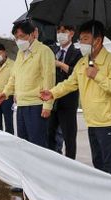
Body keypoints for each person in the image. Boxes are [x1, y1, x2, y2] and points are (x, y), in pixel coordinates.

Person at [40, 20, 111, 176]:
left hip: (109, 123)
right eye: (81, 39)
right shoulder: (82, 62)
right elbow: (70, 83)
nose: (81, 43)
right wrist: (53, 93)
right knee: (98, 165)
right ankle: (100, 196)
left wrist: (97, 75)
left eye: (85, 39)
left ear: (98, 40)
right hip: (92, 122)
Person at [0, 20, 55, 147]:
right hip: (21, 105)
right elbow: (13, 77)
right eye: (16, 38)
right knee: (24, 144)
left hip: (36, 105)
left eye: (22, 36)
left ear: (33, 34)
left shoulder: (44, 51)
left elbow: (48, 79)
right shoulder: (20, 53)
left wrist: (47, 105)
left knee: (37, 145)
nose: (19, 41)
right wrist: (5, 93)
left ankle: (38, 167)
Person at [47, 25, 82, 159]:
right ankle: (53, 160)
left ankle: (70, 163)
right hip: (52, 99)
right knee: (50, 133)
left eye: (64, 32)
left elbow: (77, 74)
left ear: (71, 33)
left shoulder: (78, 53)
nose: (60, 34)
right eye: (58, 31)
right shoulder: (52, 50)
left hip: (68, 100)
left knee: (69, 136)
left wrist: (61, 64)